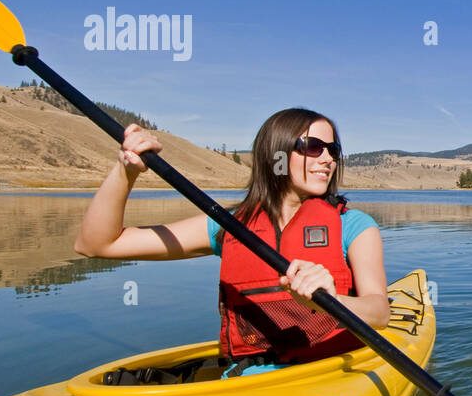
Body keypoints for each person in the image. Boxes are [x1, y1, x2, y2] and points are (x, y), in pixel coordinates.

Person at [74, 108, 389, 376]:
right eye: (313, 147)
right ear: (276, 154)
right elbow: (98, 244)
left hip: (330, 371)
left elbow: (379, 312)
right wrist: (126, 171)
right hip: (245, 381)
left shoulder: (355, 226)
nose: (328, 159)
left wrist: (330, 301)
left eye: (333, 150)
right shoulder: (226, 227)